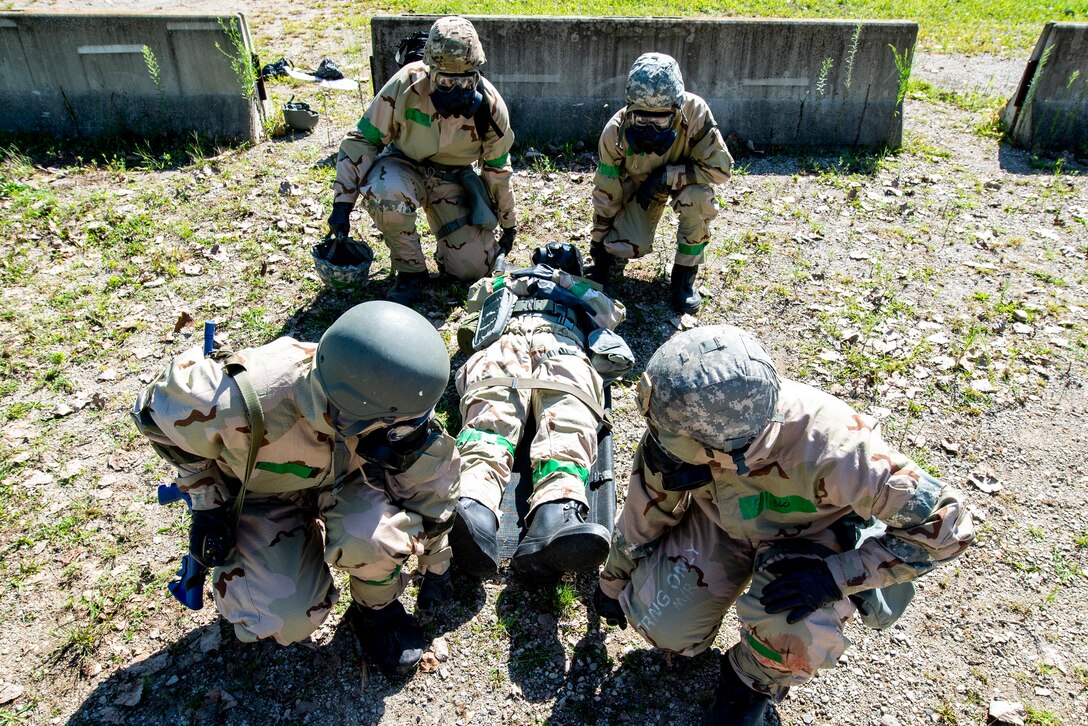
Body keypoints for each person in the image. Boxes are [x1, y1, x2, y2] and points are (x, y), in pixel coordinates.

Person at [594, 325, 974, 724]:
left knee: (797, 632)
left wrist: (835, 576)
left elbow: (950, 525)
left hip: (810, 540)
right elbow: (644, 509)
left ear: (729, 446)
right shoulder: (682, 425)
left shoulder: (836, 448)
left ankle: (749, 681)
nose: (657, 439)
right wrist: (612, 581)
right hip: (721, 524)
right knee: (663, 625)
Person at [131, 302, 459, 675]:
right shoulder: (235, 400)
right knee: (285, 615)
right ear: (353, 414)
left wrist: (437, 564)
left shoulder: (396, 400)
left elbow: (432, 490)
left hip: (348, 479)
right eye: (401, 426)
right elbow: (152, 416)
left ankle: (374, 614)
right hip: (261, 493)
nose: (412, 430)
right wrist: (206, 501)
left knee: (375, 539)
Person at [449, 242, 631, 578]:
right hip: (507, 341)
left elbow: (610, 315)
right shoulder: (508, 281)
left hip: (564, 343)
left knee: (567, 418)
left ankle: (556, 512)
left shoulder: (585, 290)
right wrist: (517, 280)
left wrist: (565, 282)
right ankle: (474, 508)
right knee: (489, 418)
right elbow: (477, 298)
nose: (552, 253)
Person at [329, 16, 517, 306]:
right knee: (385, 192)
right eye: (444, 81)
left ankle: (451, 251)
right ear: (431, 71)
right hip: (404, 166)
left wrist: (508, 223)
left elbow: (497, 170)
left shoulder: (491, 109)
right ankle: (410, 271)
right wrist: (342, 203)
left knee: (471, 268)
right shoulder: (406, 84)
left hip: (454, 179)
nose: (456, 91)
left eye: (466, 82)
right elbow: (363, 140)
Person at [589, 52, 733, 314]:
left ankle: (685, 274)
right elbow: (606, 194)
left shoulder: (696, 114)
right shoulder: (615, 134)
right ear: (631, 110)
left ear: (676, 110)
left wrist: (669, 176)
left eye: (661, 120)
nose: (651, 129)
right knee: (625, 245)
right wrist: (598, 249)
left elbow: (721, 170)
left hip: (684, 183)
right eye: (642, 120)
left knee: (698, 198)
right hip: (640, 190)